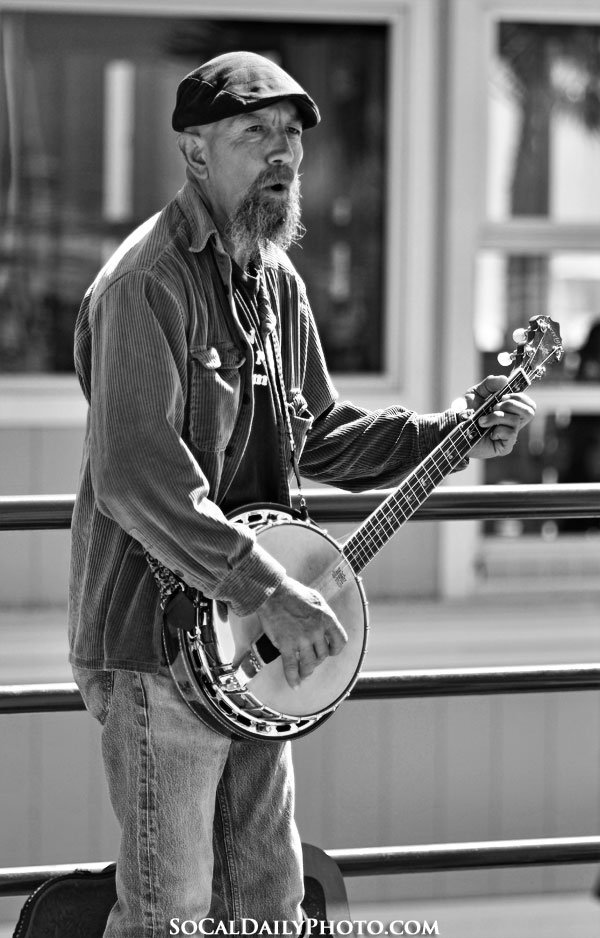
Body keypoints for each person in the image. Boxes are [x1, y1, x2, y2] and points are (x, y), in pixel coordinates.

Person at [69, 51, 536, 937]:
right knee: (170, 915)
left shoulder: (274, 281)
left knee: (268, 909)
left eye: (293, 139)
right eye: (257, 133)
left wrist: (450, 430)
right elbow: (138, 478)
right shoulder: (144, 283)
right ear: (196, 152)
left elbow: (317, 433)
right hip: (153, 648)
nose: (284, 156)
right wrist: (273, 590)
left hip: (254, 646)